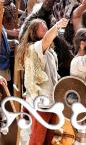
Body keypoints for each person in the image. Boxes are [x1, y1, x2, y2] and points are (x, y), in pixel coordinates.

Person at [16, 17, 68, 145]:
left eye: (47, 29)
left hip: (51, 99)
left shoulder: (48, 50)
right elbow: (46, 39)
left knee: (49, 137)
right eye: (43, 30)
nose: (46, 31)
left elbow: (52, 74)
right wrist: (57, 26)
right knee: (37, 139)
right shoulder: (33, 48)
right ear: (34, 33)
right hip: (40, 101)